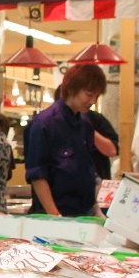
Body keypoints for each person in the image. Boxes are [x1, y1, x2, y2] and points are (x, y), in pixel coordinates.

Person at [24, 63, 106, 216]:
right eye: (89, 95)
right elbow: (37, 175)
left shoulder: (85, 123)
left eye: (97, 96)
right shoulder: (43, 124)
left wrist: (95, 209)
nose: (93, 101)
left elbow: (89, 169)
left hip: (84, 213)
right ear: (72, 89)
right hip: (55, 215)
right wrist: (54, 215)